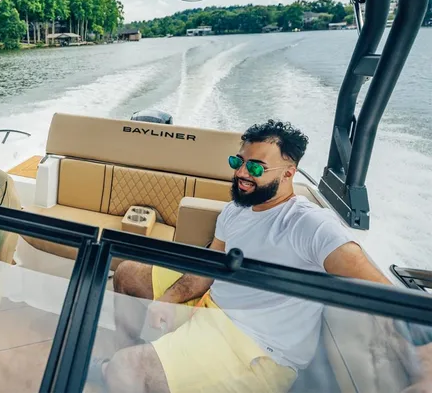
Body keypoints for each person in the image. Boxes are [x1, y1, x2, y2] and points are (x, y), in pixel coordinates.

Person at [89, 119, 392, 393]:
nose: (241, 173)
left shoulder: (311, 225)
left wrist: (425, 362)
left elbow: (387, 297)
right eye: (239, 161)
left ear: (289, 173)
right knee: (128, 274)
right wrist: (168, 300)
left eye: (256, 168)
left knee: (126, 370)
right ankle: (133, 359)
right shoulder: (236, 210)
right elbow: (210, 267)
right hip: (214, 307)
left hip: (256, 348)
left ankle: (120, 370)